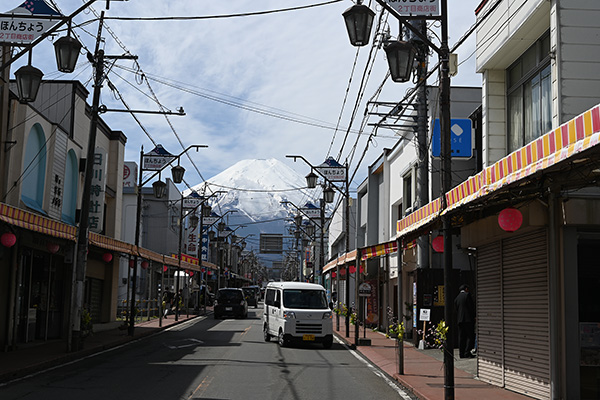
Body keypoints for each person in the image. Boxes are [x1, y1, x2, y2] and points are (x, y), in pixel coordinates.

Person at [454, 284, 476, 358]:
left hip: (460, 320)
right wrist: (474, 316)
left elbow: (456, 309)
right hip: (468, 319)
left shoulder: (457, 298)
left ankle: (461, 353)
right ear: (466, 289)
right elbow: (471, 307)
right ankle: (467, 352)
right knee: (470, 336)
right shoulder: (467, 295)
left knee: (461, 337)